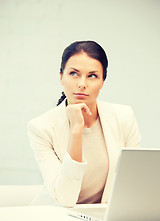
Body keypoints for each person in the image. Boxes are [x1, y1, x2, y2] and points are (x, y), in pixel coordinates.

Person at [27, 40, 141, 207]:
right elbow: (66, 198)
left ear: (102, 81)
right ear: (61, 77)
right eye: (74, 73)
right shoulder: (41, 127)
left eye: (92, 76)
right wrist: (76, 131)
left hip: (101, 219)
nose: (81, 84)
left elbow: (134, 181)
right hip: (54, 216)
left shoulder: (123, 117)